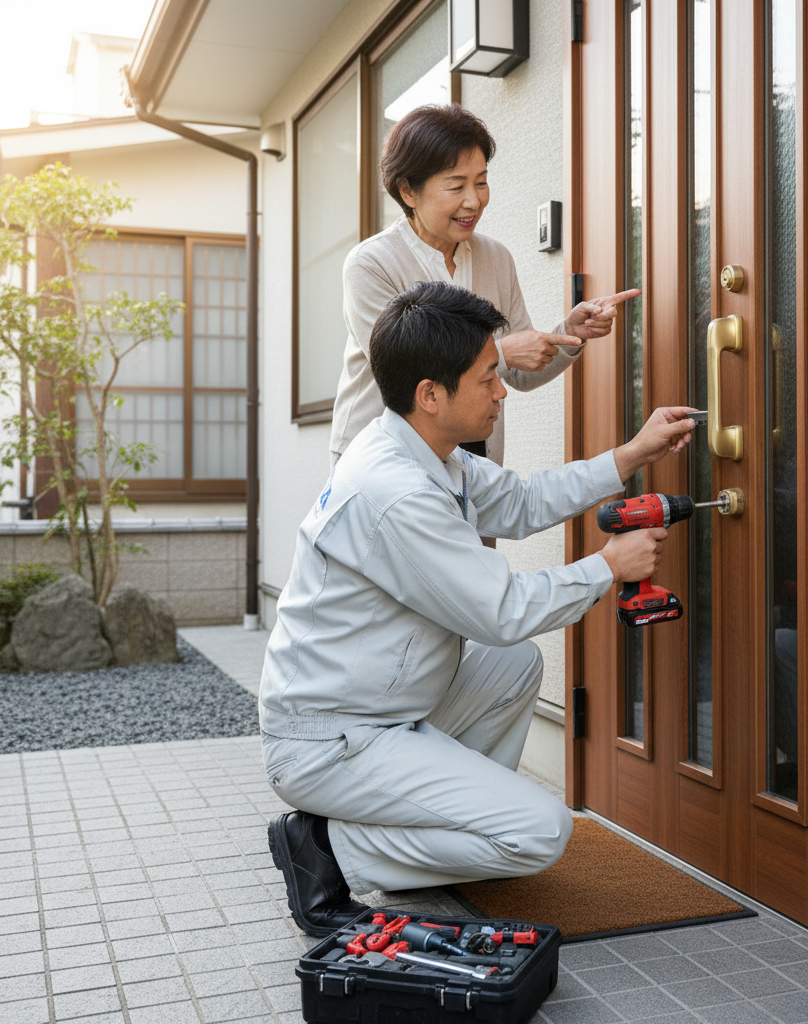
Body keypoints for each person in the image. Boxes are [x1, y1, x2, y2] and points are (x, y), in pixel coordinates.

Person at [263, 281, 697, 936]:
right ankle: (328, 848)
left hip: (383, 709)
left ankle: (453, 833)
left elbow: (521, 501)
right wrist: (609, 565)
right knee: (540, 834)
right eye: (488, 377)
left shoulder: (425, 452)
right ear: (430, 395)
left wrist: (631, 455)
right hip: (332, 741)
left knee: (512, 664)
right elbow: (500, 608)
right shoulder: (396, 491)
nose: (501, 391)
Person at [329, 103, 638, 468]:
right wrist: (502, 352)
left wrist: (571, 331)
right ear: (408, 192)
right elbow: (407, 374)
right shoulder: (372, 263)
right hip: (381, 461)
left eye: (481, 181)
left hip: (474, 461)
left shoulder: (496, 258)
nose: (473, 201)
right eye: (456, 185)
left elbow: (521, 372)